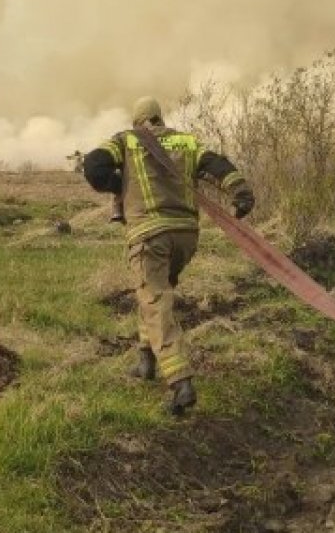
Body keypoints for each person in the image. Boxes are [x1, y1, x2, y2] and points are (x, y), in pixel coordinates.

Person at [82, 96, 254, 416]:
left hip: (149, 235)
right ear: (160, 119)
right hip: (185, 237)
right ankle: (145, 360)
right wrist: (241, 195)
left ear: (138, 121)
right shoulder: (186, 141)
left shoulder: (126, 140)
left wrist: (116, 184)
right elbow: (219, 166)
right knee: (152, 292)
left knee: (155, 299)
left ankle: (179, 380)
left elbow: (93, 166)